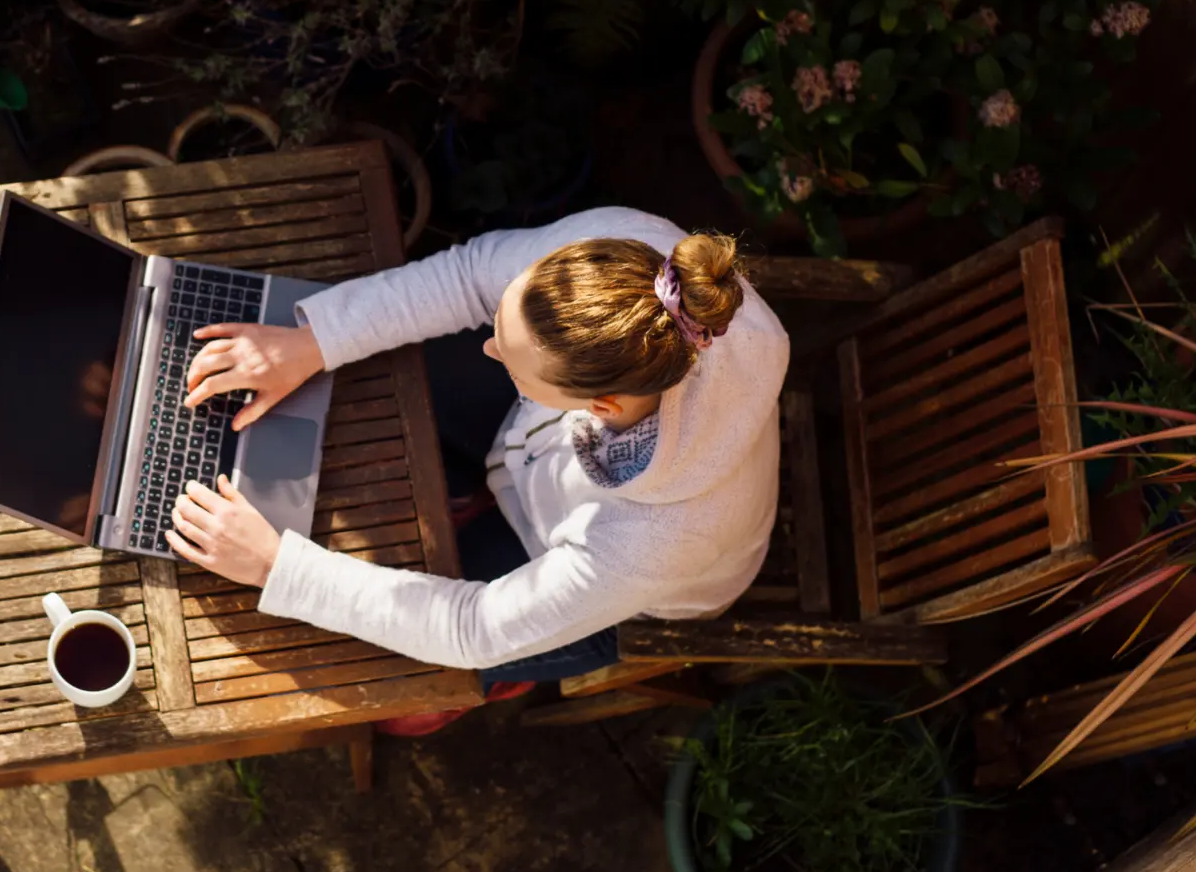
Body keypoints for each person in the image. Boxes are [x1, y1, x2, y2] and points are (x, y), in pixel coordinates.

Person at [165, 207, 790, 734]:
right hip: (542, 454)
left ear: (600, 407)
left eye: (512, 363)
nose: (489, 348)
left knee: (397, 698)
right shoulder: (627, 264)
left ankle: (510, 666)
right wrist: (313, 343)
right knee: (398, 365)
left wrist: (278, 568)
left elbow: (475, 626)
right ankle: (480, 484)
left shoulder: (651, 543)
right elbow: (468, 276)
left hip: (627, 593)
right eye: (501, 327)